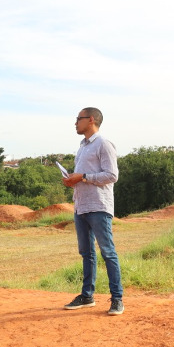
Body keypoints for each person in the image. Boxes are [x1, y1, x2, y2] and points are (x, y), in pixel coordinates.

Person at [62, 107, 124, 315]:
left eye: (78, 119)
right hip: (81, 205)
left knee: (108, 252)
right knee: (86, 253)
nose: (75, 122)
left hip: (98, 206)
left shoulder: (103, 144)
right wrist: (73, 180)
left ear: (90, 120)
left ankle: (117, 299)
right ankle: (87, 295)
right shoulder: (82, 146)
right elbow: (84, 176)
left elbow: (111, 175)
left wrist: (83, 176)